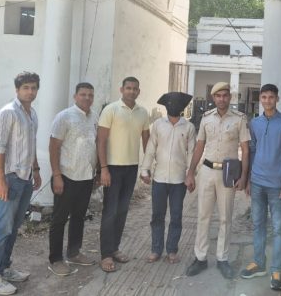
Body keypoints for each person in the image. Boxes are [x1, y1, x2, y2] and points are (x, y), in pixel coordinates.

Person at [0, 72, 42, 296]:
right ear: (17, 90)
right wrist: (1, 180)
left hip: (25, 178)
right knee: (2, 228)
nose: (30, 91)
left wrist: (36, 170)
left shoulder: (32, 114)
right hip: (10, 178)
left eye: (33, 88)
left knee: (14, 227)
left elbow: (31, 145)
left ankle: (4, 269)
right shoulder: (7, 113)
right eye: (26, 87)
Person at [185, 81, 250, 280]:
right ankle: (200, 257)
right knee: (203, 216)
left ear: (230, 97)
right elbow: (199, 146)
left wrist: (244, 176)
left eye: (225, 95)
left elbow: (245, 149)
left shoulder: (239, 119)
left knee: (225, 217)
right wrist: (190, 172)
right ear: (213, 98)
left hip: (228, 174)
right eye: (218, 96)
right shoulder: (206, 118)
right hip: (206, 171)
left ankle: (222, 258)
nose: (222, 99)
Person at [240, 84, 281, 291]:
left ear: (277, 99)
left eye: (271, 97)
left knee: (279, 229)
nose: (267, 100)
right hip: (257, 183)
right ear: (260, 99)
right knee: (258, 224)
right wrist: (248, 180)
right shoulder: (254, 123)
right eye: (264, 97)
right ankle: (258, 263)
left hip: (277, 185)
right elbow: (252, 151)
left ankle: (276, 270)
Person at [97, 76, 150, 273]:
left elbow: (147, 142)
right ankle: (106, 255)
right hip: (112, 167)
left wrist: (146, 167)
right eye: (128, 88)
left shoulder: (143, 112)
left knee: (122, 210)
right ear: (122, 90)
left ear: (139, 91)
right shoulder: (111, 110)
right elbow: (101, 141)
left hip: (131, 167)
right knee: (110, 211)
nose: (131, 91)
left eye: (135, 88)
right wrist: (103, 168)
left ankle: (115, 248)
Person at [47, 82, 99, 277]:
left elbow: (95, 144)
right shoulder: (64, 117)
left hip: (86, 176)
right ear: (75, 96)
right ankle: (55, 259)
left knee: (79, 217)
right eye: (83, 94)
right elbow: (53, 147)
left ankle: (74, 253)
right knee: (59, 219)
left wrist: (97, 172)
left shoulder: (94, 117)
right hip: (66, 176)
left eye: (90, 95)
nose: (87, 98)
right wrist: (57, 175)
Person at [139, 92, 195, 264]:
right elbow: (151, 148)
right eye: (170, 103)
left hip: (179, 180)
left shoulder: (189, 127)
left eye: (178, 104)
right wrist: (145, 170)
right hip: (159, 179)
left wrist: (191, 175)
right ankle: (156, 250)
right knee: (157, 215)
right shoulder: (158, 124)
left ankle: (172, 250)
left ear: (183, 107)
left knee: (176, 216)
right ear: (166, 106)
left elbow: (192, 153)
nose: (174, 106)